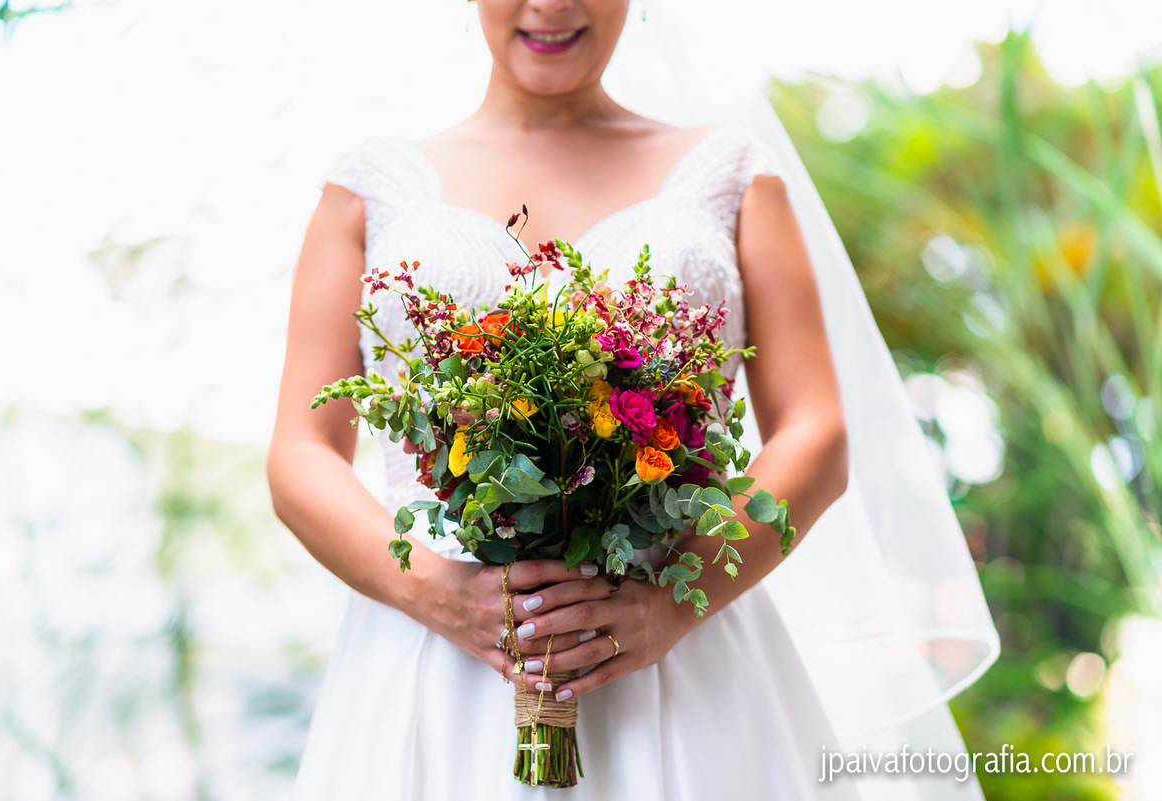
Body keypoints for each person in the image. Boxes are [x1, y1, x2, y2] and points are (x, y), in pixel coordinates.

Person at [267, 1, 997, 799]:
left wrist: (674, 603)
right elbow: (301, 451)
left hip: (684, 662)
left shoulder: (732, 176)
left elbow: (815, 432)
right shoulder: (369, 189)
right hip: (435, 665)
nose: (552, 5)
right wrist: (438, 594)